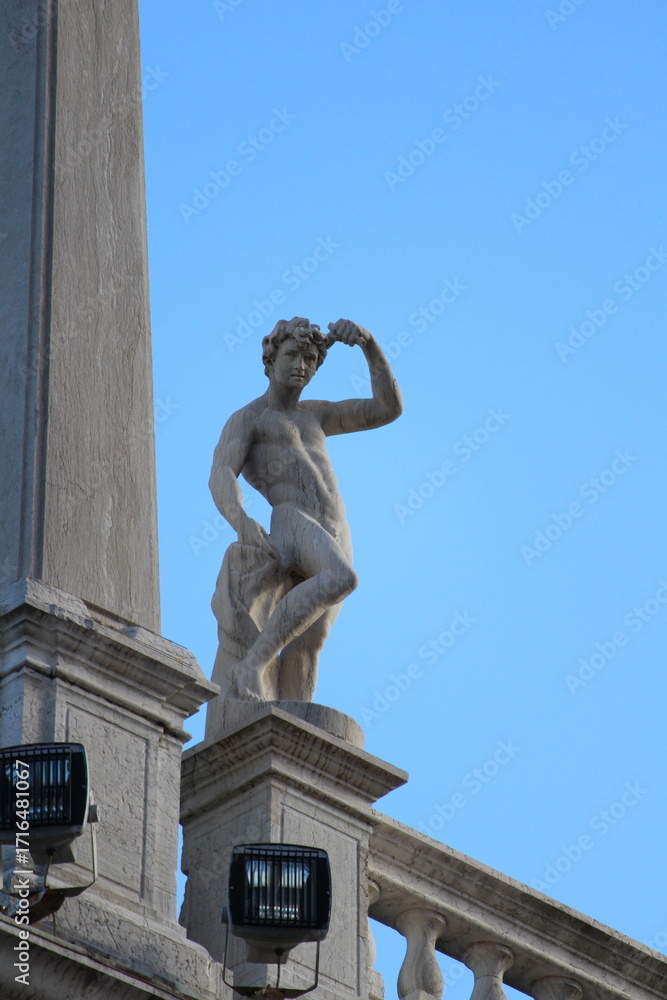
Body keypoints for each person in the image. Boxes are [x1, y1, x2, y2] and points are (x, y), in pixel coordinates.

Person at [208, 316, 402, 704]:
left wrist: (368, 344)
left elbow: (387, 408)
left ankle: (293, 720)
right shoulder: (249, 419)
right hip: (292, 520)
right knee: (341, 578)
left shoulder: (316, 414)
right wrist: (241, 520)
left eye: (310, 359)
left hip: (335, 530)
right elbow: (221, 474)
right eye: (292, 355)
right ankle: (250, 666)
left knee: (310, 643)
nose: (301, 366)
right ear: (271, 358)